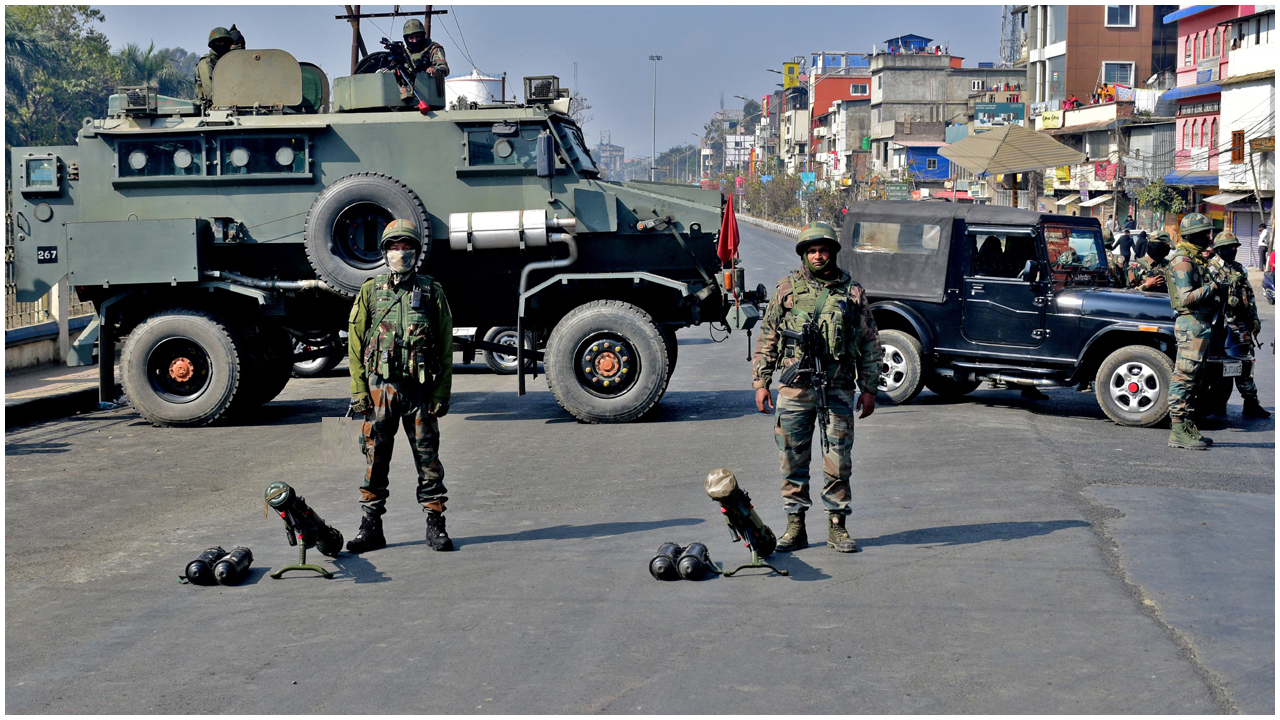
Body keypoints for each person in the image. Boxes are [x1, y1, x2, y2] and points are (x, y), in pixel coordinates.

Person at [753, 222, 881, 554]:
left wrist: (869, 388)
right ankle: (795, 525)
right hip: (794, 389)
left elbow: (869, 341)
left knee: (838, 460)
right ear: (804, 254)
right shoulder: (786, 289)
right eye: (812, 251)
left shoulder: (852, 291)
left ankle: (837, 525)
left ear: (833, 253)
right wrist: (761, 382)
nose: (818, 256)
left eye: (824, 250)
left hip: (837, 387)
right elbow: (769, 336)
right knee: (792, 459)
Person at [346, 220, 455, 552]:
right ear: (385, 252)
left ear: (416, 252)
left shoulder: (432, 291)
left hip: (420, 392)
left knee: (428, 460)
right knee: (375, 459)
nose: (400, 252)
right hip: (379, 391)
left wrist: (442, 393)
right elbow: (355, 342)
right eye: (394, 247)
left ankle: (435, 524)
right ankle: (370, 527)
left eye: (407, 246)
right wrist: (358, 390)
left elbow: (445, 345)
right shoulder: (370, 291)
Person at [1164, 212, 1226, 450]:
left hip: (1200, 325)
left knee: (1196, 380)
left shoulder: (1196, 259)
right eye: (1204, 234)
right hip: (1191, 324)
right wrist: (1214, 287)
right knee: (1184, 377)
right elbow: (1187, 297)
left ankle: (1188, 426)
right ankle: (1178, 430)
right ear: (1192, 236)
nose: (1209, 238)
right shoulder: (1183, 261)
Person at [1203, 232, 1270, 419]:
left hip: (1240, 324)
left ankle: (1251, 402)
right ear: (1219, 249)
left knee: (1245, 363)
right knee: (1220, 365)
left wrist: (1254, 319)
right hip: (1220, 325)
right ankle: (1218, 403)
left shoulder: (1239, 268)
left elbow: (1249, 296)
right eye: (1229, 247)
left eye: (1235, 247)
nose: (1233, 250)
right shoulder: (1210, 269)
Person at [194, 27, 234, 109]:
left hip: (227, 105)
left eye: (226, 41)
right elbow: (211, 92)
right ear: (212, 44)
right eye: (219, 41)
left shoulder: (226, 62)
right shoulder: (206, 63)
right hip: (210, 107)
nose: (223, 44)